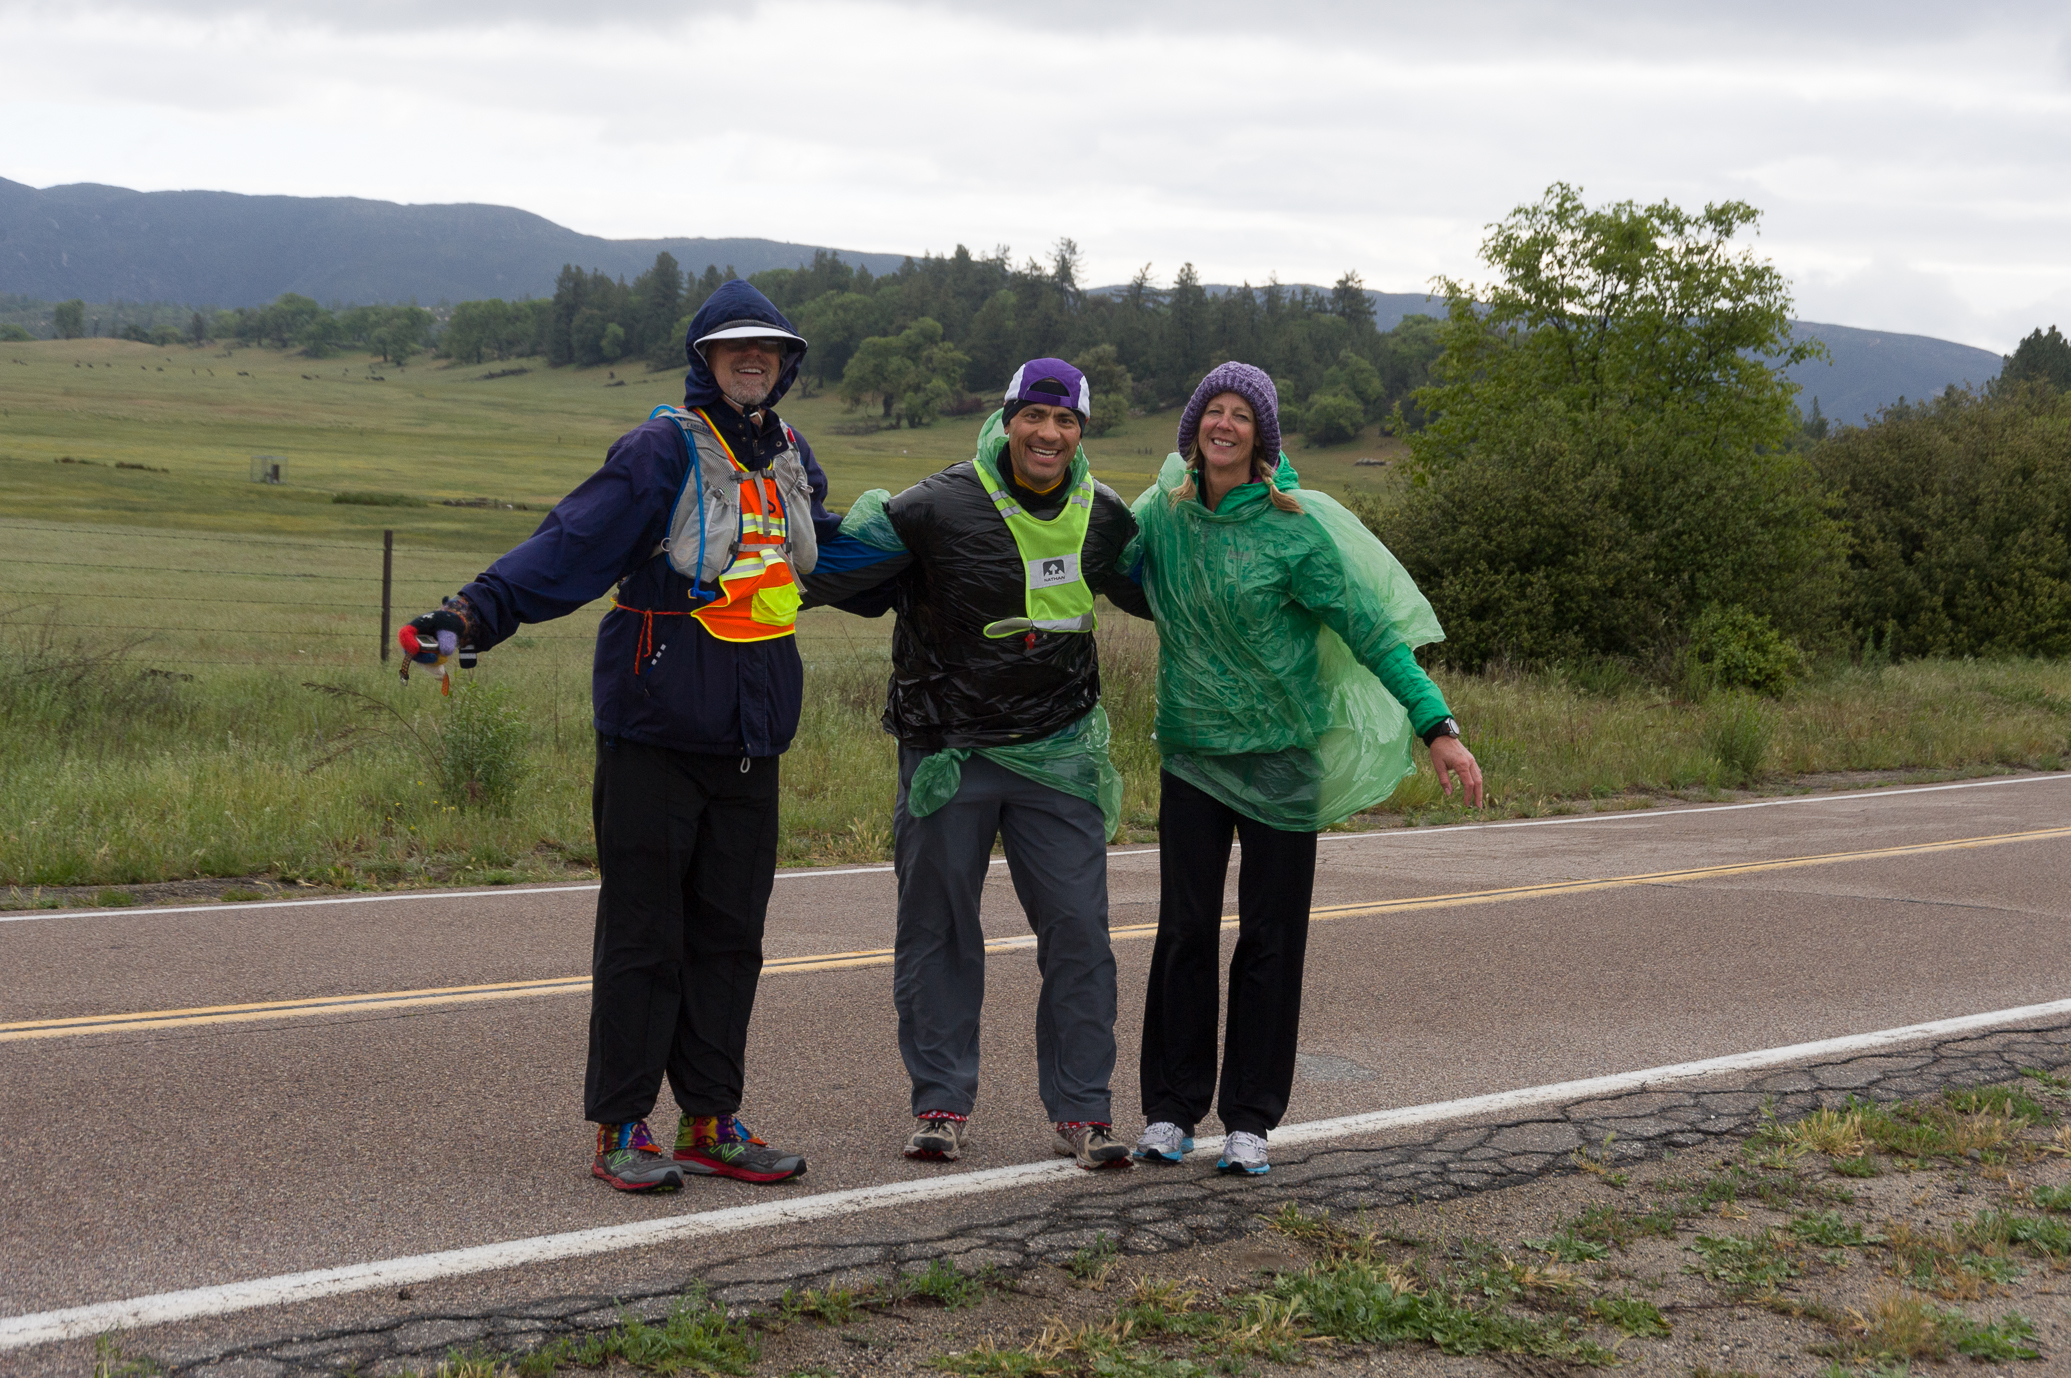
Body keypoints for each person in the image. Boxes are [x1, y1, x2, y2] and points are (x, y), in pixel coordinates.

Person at [402, 280, 835, 1192]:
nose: (752, 359)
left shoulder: (793, 457)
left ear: (785, 364)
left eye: (768, 348)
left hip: (754, 739)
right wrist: (469, 614)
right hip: (653, 733)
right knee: (645, 936)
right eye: (733, 347)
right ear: (704, 358)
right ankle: (621, 1129)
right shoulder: (658, 450)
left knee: (729, 938)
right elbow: (571, 544)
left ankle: (711, 1120)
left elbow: (824, 556)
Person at [1124, 362, 1485, 1177]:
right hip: (1191, 756)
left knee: (1270, 939)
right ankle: (1169, 1112)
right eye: (1211, 411)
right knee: (1183, 935)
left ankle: (1249, 1119)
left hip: (1283, 763)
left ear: (1260, 438)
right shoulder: (1163, 518)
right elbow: (1098, 555)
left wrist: (1437, 725)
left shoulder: (1295, 532)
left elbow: (1370, 632)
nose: (1223, 424)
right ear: (1193, 430)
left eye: (1239, 416)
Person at [800, 359, 1151, 1168]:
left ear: (1081, 433)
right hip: (947, 756)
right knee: (937, 931)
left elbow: (1164, 589)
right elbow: (829, 573)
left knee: (1077, 933)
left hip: (1056, 761)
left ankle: (1084, 1114)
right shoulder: (929, 507)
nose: (1048, 435)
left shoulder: (1101, 516)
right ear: (1007, 419)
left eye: (1065, 423)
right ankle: (940, 1104)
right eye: (1034, 417)